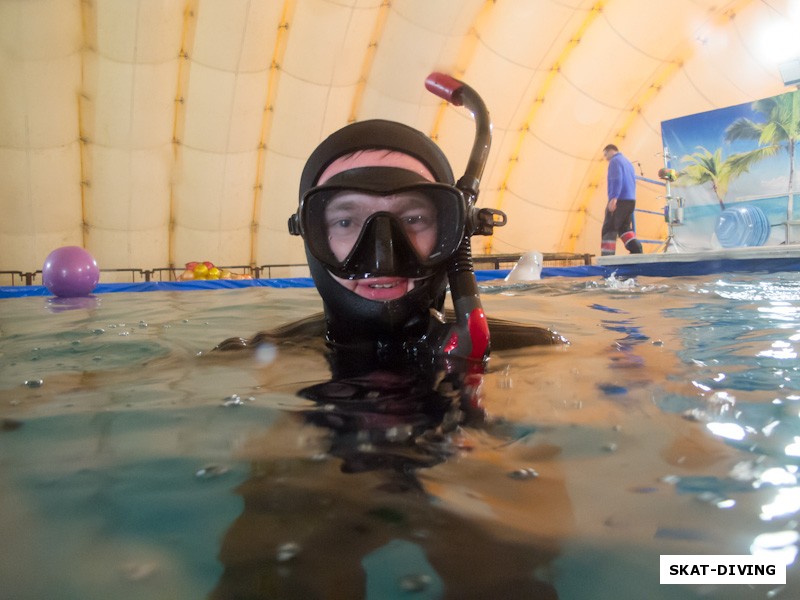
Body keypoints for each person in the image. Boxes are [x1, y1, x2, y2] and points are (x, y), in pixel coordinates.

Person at [600, 144, 642, 256]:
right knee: (624, 228)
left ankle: (607, 257)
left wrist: (614, 198)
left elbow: (616, 179)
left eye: (605, 154)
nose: (606, 158)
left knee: (609, 228)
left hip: (620, 200)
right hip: (630, 200)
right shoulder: (627, 162)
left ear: (610, 151)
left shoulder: (615, 161)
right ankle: (637, 250)